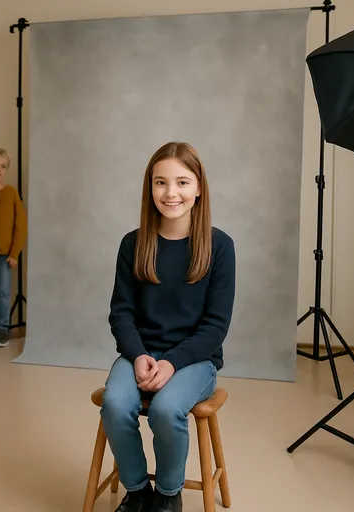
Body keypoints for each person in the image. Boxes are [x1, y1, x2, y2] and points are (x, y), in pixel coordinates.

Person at [101, 142, 235, 512]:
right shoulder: (133, 244)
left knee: (165, 409)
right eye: (161, 182)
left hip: (195, 360)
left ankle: (167, 495)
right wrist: (138, 355)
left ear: (199, 188)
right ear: (150, 187)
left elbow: (215, 326)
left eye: (182, 182)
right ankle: (137, 490)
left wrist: (172, 362)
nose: (170, 192)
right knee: (115, 404)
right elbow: (121, 314)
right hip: (141, 354)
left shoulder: (219, 247)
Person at [0, 148, 27, 347]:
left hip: (5, 255)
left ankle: (2, 329)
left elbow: (21, 225)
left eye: (3, 166)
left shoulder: (11, 193)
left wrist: (14, 253)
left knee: (4, 292)